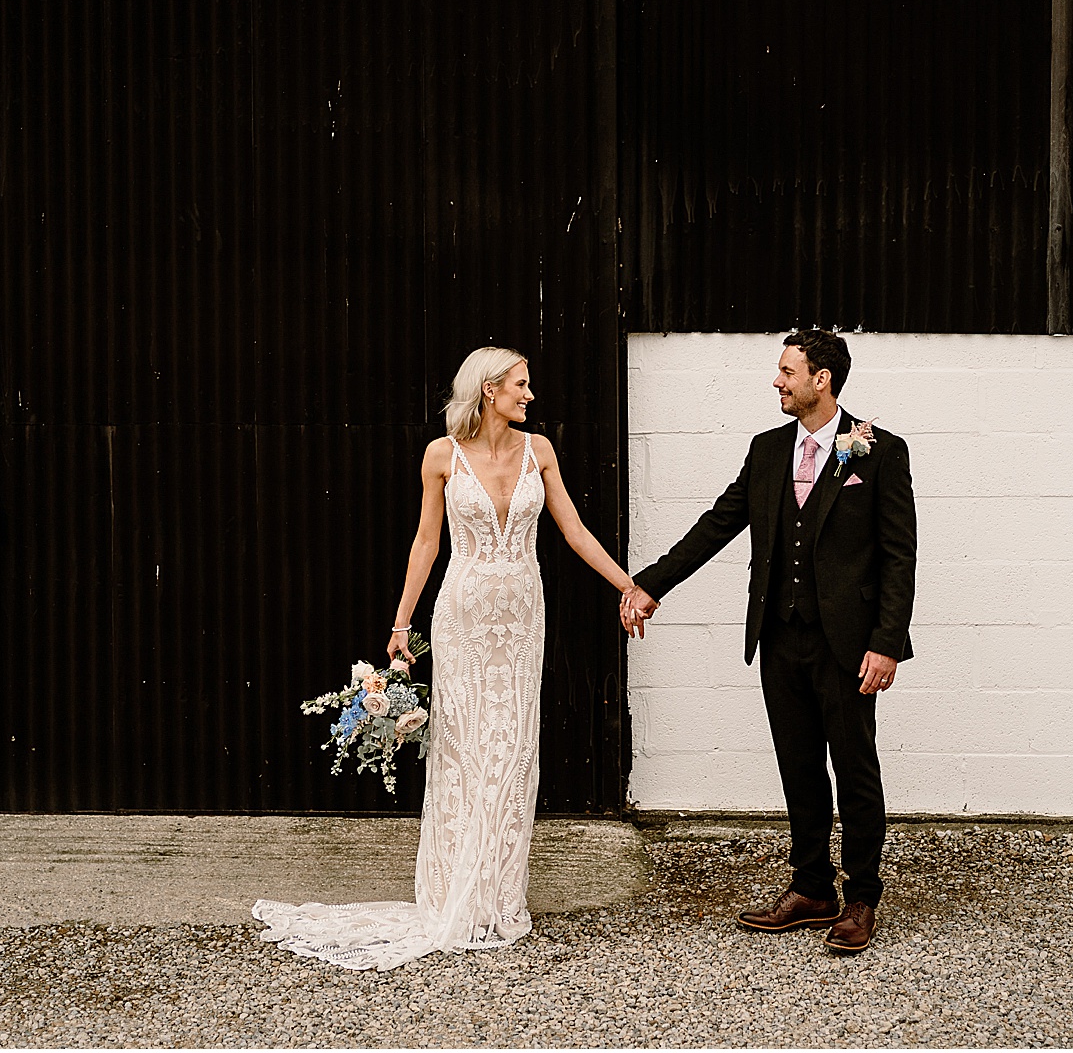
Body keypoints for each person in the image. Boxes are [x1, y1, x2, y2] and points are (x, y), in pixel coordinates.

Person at [254, 346, 638, 970]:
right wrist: (402, 620)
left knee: (512, 748)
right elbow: (427, 540)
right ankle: (450, 891)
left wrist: (628, 586)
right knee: (463, 747)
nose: (529, 395)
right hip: (460, 617)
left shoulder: (539, 451)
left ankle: (496, 895)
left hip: (520, 619)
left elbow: (573, 530)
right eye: (520, 385)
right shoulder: (441, 455)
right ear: (489, 390)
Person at [620, 329, 915, 954]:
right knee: (799, 763)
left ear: (822, 379)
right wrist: (650, 584)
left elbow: (898, 557)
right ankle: (812, 886)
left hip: (849, 644)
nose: (777, 382)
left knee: (855, 767)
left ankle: (861, 895)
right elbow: (716, 525)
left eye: (787, 371)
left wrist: (887, 642)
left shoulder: (879, 451)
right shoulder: (766, 450)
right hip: (780, 637)